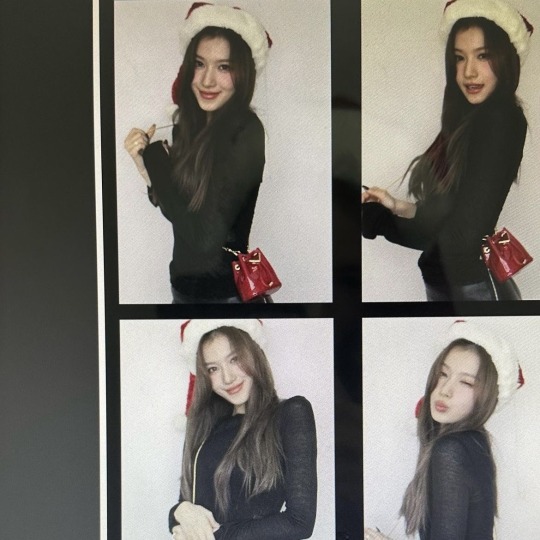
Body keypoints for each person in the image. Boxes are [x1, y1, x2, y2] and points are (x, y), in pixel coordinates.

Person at [362, 0, 534, 301]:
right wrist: (398, 206)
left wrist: (378, 221)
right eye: (459, 58)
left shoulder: (501, 118)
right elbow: (450, 215)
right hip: (462, 289)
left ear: (505, 61)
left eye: (483, 56)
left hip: (473, 292)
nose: (469, 71)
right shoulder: (470, 120)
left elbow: (461, 237)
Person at [124, 3, 271, 303]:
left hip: (226, 298)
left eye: (224, 67)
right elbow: (182, 214)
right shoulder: (188, 127)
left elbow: (204, 239)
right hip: (182, 291)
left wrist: (155, 160)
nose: (207, 81)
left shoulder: (246, 130)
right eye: (200, 64)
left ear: (243, 73)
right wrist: (145, 170)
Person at [364, 320, 524, 540]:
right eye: (443, 374)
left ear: (486, 397)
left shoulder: (451, 449)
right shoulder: (475, 443)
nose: (445, 390)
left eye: (466, 382)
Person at [169, 320, 317, 540]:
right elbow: (186, 501)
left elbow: (299, 522)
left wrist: (215, 537)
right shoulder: (202, 426)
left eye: (235, 359)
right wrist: (180, 512)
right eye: (213, 369)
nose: (228, 378)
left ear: (254, 354)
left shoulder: (290, 413)